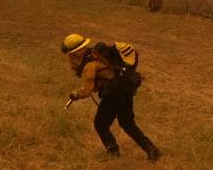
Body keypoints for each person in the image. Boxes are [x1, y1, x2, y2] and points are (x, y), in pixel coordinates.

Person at [61, 33, 161, 161]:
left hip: (113, 95)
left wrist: (75, 94)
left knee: (100, 124)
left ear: (76, 52)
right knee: (127, 123)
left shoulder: (89, 65)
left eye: (70, 54)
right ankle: (152, 150)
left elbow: (86, 91)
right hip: (125, 90)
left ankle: (113, 153)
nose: (70, 58)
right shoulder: (97, 54)